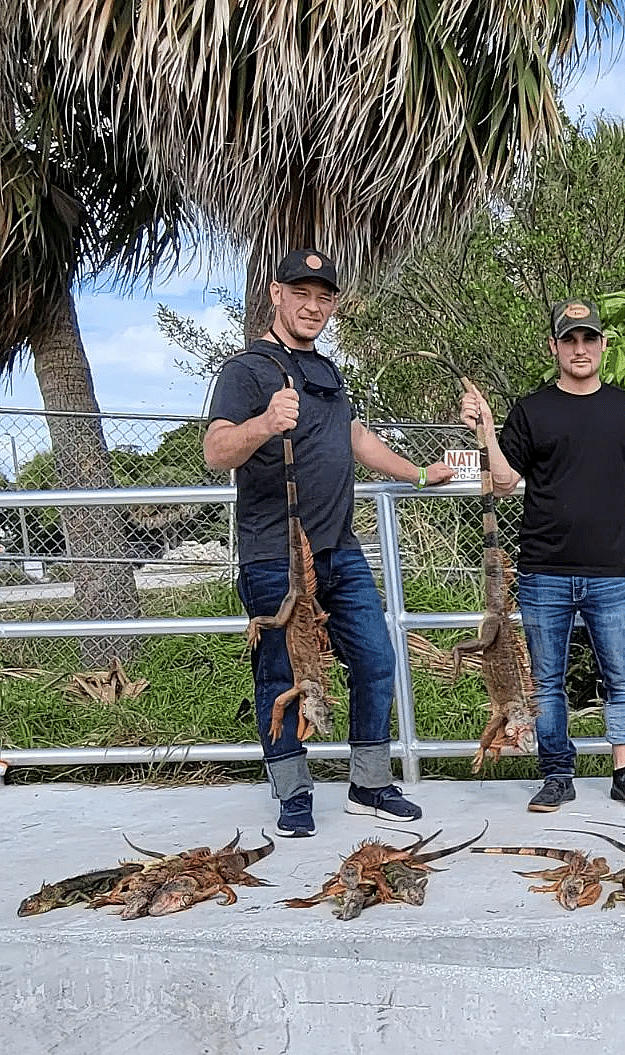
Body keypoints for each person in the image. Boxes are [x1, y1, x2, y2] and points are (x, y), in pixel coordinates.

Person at [204, 248, 454, 836]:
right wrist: (264, 423)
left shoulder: (327, 371)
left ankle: (369, 783)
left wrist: (417, 473)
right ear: (276, 294)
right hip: (275, 555)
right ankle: (293, 793)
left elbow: (355, 437)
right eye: (301, 294)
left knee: (376, 659)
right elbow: (216, 451)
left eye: (323, 296)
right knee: (281, 675)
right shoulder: (246, 371)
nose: (313, 306)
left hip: (340, 550)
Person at [459, 297, 625, 812]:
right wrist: (487, 432)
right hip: (544, 571)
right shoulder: (531, 409)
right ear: (554, 347)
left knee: (622, 676)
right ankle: (557, 772)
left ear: (603, 345)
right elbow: (502, 479)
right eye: (569, 340)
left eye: (588, 339)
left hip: (611, 570)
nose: (579, 348)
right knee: (548, 680)